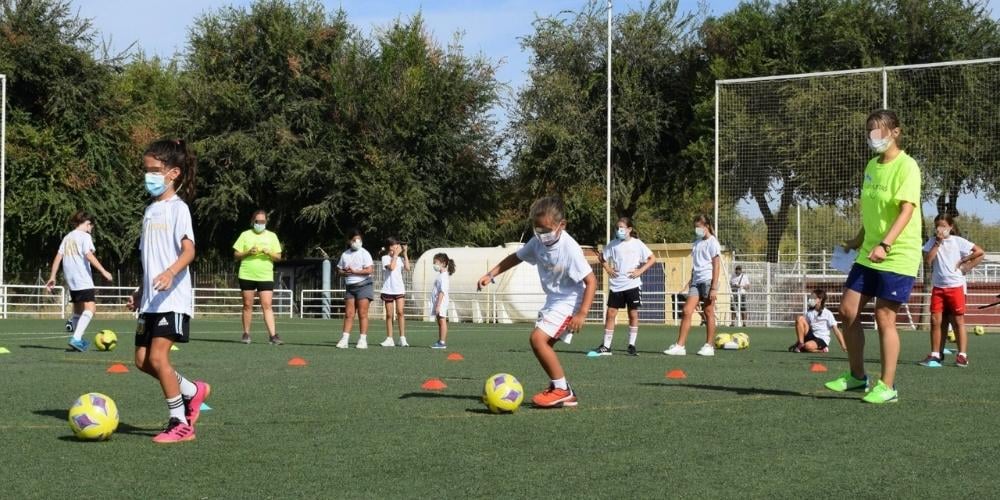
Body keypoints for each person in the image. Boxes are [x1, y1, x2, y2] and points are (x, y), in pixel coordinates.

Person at [824, 109, 921, 404]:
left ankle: (887, 386)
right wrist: (858, 240)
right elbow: (874, 213)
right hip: (869, 252)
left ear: (895, 132)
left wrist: (886, 245)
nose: (873, 137)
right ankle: (856, 377)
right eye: (870, 132)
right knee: (847, 311)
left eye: (879, 131)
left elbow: (906, 210)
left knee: (884, 317)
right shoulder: (871, 166)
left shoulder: (908, 166)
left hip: (898, 253)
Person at [126, 139, 210, 443]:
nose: (148, 176)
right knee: (142, 361)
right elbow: (152, 258)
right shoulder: (150, 211)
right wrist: (140, 289)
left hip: (172, 297)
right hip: (150, 299)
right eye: (146, 170)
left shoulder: (178, 209)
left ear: (173, 173)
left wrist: (170, 273)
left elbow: (188, 252)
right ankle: (193, 390)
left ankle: (180, 423)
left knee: (159, 358)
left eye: (155, 171)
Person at [478, 196, 597, 408]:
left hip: (571, 300)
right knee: (544, 344)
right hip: (554, 299)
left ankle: (562, 389)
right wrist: (491, 274)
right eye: (538, 230)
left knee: (537, 340)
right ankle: (560, 387)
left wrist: (582, 313)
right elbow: (516, 257)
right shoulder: (537, 243)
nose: (541, 235)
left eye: (546, 230)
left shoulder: (569, 248)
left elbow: (591, 281)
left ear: (562, 226)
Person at [918, 213, 985, 368]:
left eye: (943, 226)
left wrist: (964, 263)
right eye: (937, 226)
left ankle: (962, 355)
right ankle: (935, 354)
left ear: (950, 227)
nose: (939, 229)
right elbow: (928, 261)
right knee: (936, 321)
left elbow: (979, 252)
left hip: (955, 286)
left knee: (958, 321)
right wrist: (937, 243)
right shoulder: (932, 242)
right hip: (938, 287)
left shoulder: (958, 241)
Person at [45, 211, 114, 351]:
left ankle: (78, 339)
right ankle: (76, 338)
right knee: (91, 309)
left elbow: (58, 257)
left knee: (78, 310)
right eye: (91, 226)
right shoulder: (85, 236)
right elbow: (88, 255)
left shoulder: (67, 237)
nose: (91, 229)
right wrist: (103, 271)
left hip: (71, 280)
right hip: (82, 278)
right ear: (88, 224)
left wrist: (52, 277)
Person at [594, 217, 655, 356]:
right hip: (616, 285)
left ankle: (631, 345)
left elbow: (652, 259)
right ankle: (606, 346)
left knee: (633, 314)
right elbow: (602, 257)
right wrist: (608, 269)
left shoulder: (637, 244)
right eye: (617, 228)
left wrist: (640, 271)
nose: (619, 230)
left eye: (622, 228)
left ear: (629, 229)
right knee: (610, 313)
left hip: (632, 284)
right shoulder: (613, 244)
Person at [664, 214, 721, 357]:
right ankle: (680, 346)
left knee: (708, 312)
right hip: (696, 281)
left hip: (708, 281)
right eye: (695, 227)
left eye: (699, 226)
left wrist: (714, 287)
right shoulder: (696, 243)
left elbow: (716, 265)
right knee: (687, 310)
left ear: (706, 226)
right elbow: (695, 267)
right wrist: (689, 284)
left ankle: (709, 346)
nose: (697, 229)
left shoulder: (713, 242)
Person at [233, 210, 283, 345]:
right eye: (257, 221)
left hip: (265, 275)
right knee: (247, 305)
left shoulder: (272, 236)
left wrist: (269, 252)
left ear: (266, 222)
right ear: (252, 221)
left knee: (267, 305)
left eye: (262, 221)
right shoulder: (245, 235)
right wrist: (248, 252)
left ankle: (273, 336)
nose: (260, 224)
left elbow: (278, 257)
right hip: (247, 274)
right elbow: (236, 255)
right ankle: (246, 334)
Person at [335, 230, 374, 349]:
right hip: (350, 287)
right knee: (349, 314)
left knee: (362, 313)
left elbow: (369, 270)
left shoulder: (365, 253)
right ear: (349, 241)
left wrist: (355, 271)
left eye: (359, 240)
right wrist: (344, 272)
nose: (357, 242)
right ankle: (344, 339)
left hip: (364, 285)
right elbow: (339, 270)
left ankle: (363, 340)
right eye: (354, 240)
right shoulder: (345, 254)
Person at [379, 237, 410, 347]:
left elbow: (407, 268)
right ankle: (389, 338)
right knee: (389, 315)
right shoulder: (385, 258)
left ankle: (402, 338)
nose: (397, 246)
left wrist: (405, 253)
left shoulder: (400, 259)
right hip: (388, 289)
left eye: (397, 244)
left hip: (399, 289)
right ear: (389, 247)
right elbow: (391, 267)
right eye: (394, 244)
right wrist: (396, 255)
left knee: (400, 312)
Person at [430, 253, 454, 349]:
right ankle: (440, 340)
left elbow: (442, 291)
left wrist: (438, 305)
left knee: (442, 320)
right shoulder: (440, 275)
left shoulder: (443, 276)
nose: (434, 265)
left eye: (436, 262)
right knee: (439, 321)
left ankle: (442, 342)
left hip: (441, 302)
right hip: (438, 302)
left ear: (443, 263)